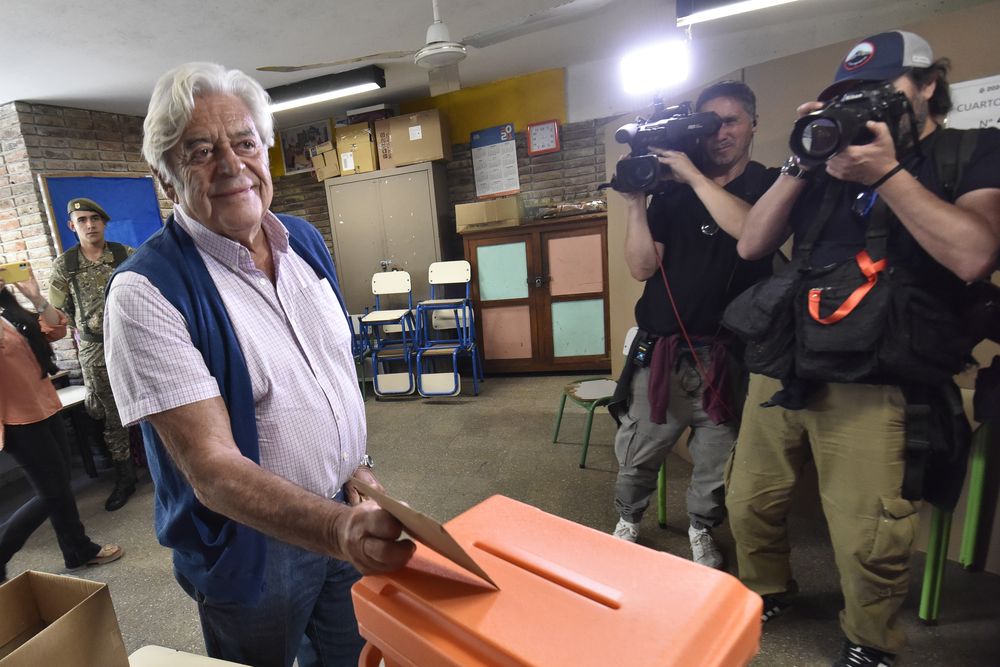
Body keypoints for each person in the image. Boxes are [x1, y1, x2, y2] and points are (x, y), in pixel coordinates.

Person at [103, 62, 414, 667]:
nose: (230, 164)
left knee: (353, 654)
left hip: (346, 505)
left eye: (245, 143)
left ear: (266, 152)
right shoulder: (147, 291)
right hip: (252, 549)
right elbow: (212, 470)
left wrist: (359, 471)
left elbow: (331, 377)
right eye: (200, 151)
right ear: (167, 180)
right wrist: (334, 530)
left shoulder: (303, 241)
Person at [728, 31, 1000, 666]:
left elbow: (974, 253)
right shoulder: (825, 162)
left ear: (929, 85)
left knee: (866, 530)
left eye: (879, 91)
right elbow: (752, 245)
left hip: (879, 369)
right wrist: (802, 160)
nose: (863, 108)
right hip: (788, 356)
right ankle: (766, 590)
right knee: (750, 502)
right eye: (848, 96)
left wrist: (889, 175)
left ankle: (869, 639)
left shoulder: (972, 151)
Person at [609, 81, 778, 569]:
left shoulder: (767, 186)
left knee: (716, 457)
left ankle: (702, 528)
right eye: (709, 124)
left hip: (727, 355)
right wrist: (636, 204)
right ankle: (628, 519)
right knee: (640, 445)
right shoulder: (673, 198)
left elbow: (752, 234)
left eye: (732, 121)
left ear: (752, 124)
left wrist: (693, 177)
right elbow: (642, 268)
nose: (720, 133)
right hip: (662, 351)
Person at [0, 270, 122, 582]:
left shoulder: (9, 311)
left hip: (45, 405)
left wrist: (36, 298)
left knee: (60, 484)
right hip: (16, 419)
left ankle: (77, 550)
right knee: (53, 491)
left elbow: (54, 330)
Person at [49, 198, 137, 511]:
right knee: (109, 415)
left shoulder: (124, 255)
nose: (90, 224)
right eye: (82, 219)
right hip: (94, 348)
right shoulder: (65, 265)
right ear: (72, 226)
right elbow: (59, 313)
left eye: (95, 218)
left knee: (154, 400)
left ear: (104, 222)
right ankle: (125, 477)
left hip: (132, 342)